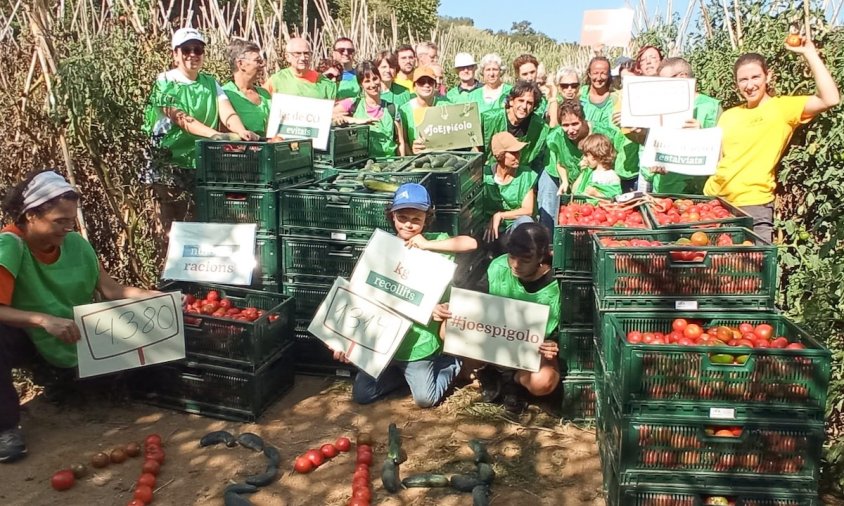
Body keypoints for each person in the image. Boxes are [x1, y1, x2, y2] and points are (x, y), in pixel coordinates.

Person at [0, 170, 161, 462]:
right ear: (31, 215)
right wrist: (42, 320)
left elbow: (112, 290)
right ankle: (5, 427)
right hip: (28, 335)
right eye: (59, 222)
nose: (66, 229)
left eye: (70, 221)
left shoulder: (76, 245)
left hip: (72, 334)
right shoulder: (10, 246)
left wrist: (158, 298)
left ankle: (68, 381)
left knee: (138, 327)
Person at [332, 183, 476, 408]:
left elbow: (470, 243)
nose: (408, 224)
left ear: (427, 218)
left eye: (416, 219)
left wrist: (429, 245)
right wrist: (343, 340)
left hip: (420, 342)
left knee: (425, 400)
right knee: (363, 394)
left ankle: (451, 361)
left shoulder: (436, 241)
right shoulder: (382, 248)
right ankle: (401, 376)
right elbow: (359, 292)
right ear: (392, 216)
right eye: (403, 217)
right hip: (384, 341)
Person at [704, 40, 839, 241]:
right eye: (743, 80)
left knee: (756, 269)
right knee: (714, 270)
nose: (749, 85)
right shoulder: (729, 116)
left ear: (769, 76)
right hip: (715, 202)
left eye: (755, 77)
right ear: (736, 84)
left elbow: (830, 99)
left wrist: (810, 54)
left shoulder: (782, 109)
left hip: (753, 204)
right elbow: (715, 160)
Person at [143, 27, 258, 232]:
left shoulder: (211, 83)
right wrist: (214, 135)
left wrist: (241, 131)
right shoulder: (164, 81)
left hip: (200, 163)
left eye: (198, 49)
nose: (193, 55)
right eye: (186, 50)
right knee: (172, 229)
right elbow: (180, 118)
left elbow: (227, 113)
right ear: (175, 54)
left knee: (197, 224)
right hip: (168, 165)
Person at [472, 223, 560, 412]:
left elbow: (567, 328)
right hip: (496, 338)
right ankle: (491, 370)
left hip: (535, 351)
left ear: (542, 257)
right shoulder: (498, 266)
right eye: (512, 257)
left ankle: (510, 378)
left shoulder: (558, 284)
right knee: (449, 327)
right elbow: (475, 300)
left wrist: (554, 343)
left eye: (525, 259)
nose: (516, 264)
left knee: (543, 381)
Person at [644, 57, 722, 194]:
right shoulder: (659, 107)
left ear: (682, 77)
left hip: (700, 192)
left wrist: (702, 134)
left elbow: (723, 152)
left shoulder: (711, 107)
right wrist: (655, 164)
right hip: (665, 191)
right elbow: (653, 146)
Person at [333, 61, 406, 157]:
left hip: (389, 165)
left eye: (375, 79)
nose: (373, 84)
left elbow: (400, 142)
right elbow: (324, 115)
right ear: (361, 84)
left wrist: (401, 163)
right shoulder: (353, 104)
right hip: (362, 164)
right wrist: (354, 120)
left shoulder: (392, 108)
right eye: (367, 81)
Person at [481, 81, 549, 173]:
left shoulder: (539, 127)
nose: (524, 106)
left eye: (529, 103)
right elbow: (476, 150)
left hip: (520, 174)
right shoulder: (488, 119)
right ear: (511, 101)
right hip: (490, 172)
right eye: (521, 101)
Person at [483, 132, 537, 246]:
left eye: (518, 152)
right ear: (500, 155)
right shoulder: (485, 175)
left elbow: (528, 210)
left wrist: (500, 215)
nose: (518, 156)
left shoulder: (526, 175)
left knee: (526, 223)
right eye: (513, 153)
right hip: (488, 228)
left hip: (514, 229)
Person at [222, 39, 271, 137]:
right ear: (240, 64)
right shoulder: (225, 95)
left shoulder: (264, 94)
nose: (263, 65)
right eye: (258, 61)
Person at [397, 67, 450, 154]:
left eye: (430, 82)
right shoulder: (404, 111)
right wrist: (412, 153)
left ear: (435, 85)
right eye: (422, 82)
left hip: (444, 157)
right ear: (414, 86)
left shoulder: (446, 106)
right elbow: (404, 141)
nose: (426, 85)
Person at [265, 37, 336, 99]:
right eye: (297, 54)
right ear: (287, 57)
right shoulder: (277, 81)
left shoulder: (324, 83)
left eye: (306, 53)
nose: (303, 58)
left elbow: (336, 110)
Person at [571, 133, 622, 200]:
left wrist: (596, 194)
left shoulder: (611, 175)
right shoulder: (590, 173)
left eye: (586, 155)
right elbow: (574, 191)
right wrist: (584, 172)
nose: (584, 158)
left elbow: (615, 199)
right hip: (586, 208)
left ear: (596, 154)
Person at [580, 56, 615, 129]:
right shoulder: (580, 94)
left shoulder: (615, 98)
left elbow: (612, 128)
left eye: (603, 73)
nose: (599, 78)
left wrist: (591, 125)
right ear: (589, 74)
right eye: (595, 73)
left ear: (608, 75)